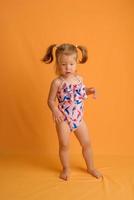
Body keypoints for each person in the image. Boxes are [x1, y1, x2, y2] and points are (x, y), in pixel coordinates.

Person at [42, 43, 103, 181]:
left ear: (76, 64)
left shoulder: (79, 79)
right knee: (64, 145)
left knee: (86, 143)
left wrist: (89, 90)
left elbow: (80, 93)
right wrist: (55, 110)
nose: (67, 67)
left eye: (71, 64)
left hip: (78, 117)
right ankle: (66, 168)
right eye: (63, 64)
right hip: (63, 118)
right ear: (57, 64)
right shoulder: (57, 82)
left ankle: (91, 167)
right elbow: (50, 101)